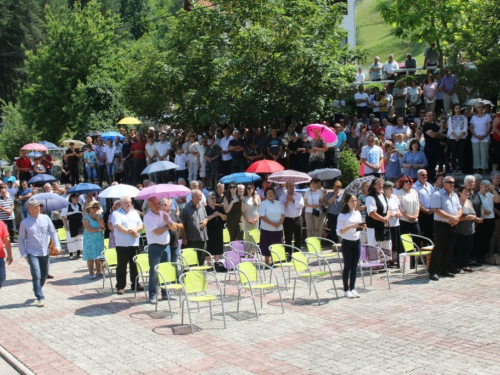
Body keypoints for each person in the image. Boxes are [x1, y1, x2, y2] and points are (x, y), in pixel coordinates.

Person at [18, 198, 61, 307]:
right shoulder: (25, 223)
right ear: (29, 209)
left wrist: (57, 245)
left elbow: (53, 232)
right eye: (35, 207)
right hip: (32, 253)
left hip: (45, 252)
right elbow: (21, 240)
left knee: (45, 274)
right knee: (36, 275)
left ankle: (37, 287)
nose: (38, 208)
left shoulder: (45, 218)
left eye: (39, 206)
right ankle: (40, 297)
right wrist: (24, 254)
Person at [143, 196, 176, 303]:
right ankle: (152, 295)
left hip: (166, 246)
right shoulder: (148, 217)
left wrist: (169, 222)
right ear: (149, 206)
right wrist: (167, 226)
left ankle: (166, 293)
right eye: (155, 204)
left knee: (166, 270)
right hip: (155, 247)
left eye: (158, 203)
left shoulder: (164, 214)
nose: (158, 206)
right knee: (154, 272)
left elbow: (174, 228)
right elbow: (157, 231)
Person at [429, 176, 462, 280]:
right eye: (450, 182)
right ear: (444, 183)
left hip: (452, 224)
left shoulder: (455, 195)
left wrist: (456, 218)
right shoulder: (438, 194)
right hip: (441, 225)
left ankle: (444, 269)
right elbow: (437, 210)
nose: (452, 184)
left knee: (449, 248)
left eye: (453, 183)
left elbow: (460, 209)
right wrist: (451, 217)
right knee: (439, 248)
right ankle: (433, 271)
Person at [111, 196, 144, 295]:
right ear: (121, 204)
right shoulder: (116, 213)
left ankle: (135, 283)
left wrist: (135, 230)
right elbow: (119, 227)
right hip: (122, 244)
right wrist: (131, 232)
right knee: (122, 265)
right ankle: (120, 286)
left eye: (130, 202)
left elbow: (140, 225)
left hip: (134, 243)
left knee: (134, 265)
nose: (129, 204)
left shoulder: (134, 213)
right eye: (126, 203)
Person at [336, 192, 364, 299]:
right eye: (352, 201)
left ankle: (352, 287)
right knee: (347, 266)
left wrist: (362, 227)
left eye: (355, 201)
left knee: (354, 266)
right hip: (347, 242)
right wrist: (351, 226)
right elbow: (339, 232)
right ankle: (346, 289)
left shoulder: (357, 213)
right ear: (347, 202)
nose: (354, 203)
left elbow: (358, 227)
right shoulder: (342, 215)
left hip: (357, 241)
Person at [366, 178, 391, 259]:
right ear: (374, 186)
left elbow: (389, 208)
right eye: (378, 184)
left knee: (385, 242)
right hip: (374, 225)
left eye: (381, 184)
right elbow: (372, 213)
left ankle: (384, 262)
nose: (380, 186)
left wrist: (387, 217)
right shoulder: (370, 197)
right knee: (374, 243)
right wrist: (383, 219)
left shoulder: (383, 195)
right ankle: (374, 264)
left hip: (384, 223)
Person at [181, 189, 208, 265]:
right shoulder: (185, 207)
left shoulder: (202, 206)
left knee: (201, 260)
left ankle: (200, 275)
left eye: (200, 196)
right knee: (191, 262)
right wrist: (184, 238)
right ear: (192, 197)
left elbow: (206, 217)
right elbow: (182, 224)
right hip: (191, 239)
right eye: (197, 196)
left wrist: (205, 221)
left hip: (202, 237)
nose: (199, 197)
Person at [454, 185, 476, 274]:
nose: (467, 193)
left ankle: (464, 264)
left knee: (467, 248)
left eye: (468, 192)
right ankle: (457, 266)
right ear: (459, 192)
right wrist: (467, 218)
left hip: (470, 230)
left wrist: (474, 218)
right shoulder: (457, 203)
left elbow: (473, 213)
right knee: (459, 248)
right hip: (460, 230)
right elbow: (456, 217)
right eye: (465, 191)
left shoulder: (469, 202)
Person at [258, 187, 284, 265]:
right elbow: (262, 216)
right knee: (267, 245)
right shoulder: (263, 203)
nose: (270, 194)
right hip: (267, 229)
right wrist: (272, 223)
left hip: (278, 228)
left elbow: (283, 214)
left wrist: (280, 222)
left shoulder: (278, 203)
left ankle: (276, 261)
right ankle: (266, 262)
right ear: (265, 195)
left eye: (271, 192)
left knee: (278, 244)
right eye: (268, 193)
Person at [82, 201, 105, 280]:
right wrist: (99, 229)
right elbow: (89, 229)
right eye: (93, 207)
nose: (95, 209)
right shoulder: (86, 217)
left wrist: (98, 218)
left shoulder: (100, 216)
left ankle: (99, 271)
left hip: (98, 238)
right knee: (90, 256)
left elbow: (103, 226)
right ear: (89, 208)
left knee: (99, 255)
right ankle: (90, 272)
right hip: (89, 239)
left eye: (97, 207)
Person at [279, 181, 305, 248]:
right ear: (286, 187)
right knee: (288, 239)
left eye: (293, 185)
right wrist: (287, 201)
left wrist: (293, 200)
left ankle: (297, 255)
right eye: (290, 186)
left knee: (298, 239)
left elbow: (302, 205)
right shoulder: (282, 197)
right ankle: (289, 256)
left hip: (298, 219)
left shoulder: (299, 195)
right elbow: (281, 209)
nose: (292, 187)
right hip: (287, 220)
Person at [470, 102, 492, 174]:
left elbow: (489, 126)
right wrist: (476, 135)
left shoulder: (487, 116)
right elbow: (471, 127)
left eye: (482, 107)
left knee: (484, 153)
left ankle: (484, 168)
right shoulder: (473, 117)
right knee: (476, 154)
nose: (480, 108)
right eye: (479, 107)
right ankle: (477, 168)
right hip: (475, 138)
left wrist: (485, 135)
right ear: (476, 108)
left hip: (485, 137)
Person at [60, 193, 84, 260]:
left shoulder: (80, 205)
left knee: (79, 237)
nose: (77, 199)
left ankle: (79, 252)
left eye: (77, 198)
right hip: (70, 224)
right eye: (75, 198)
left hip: (79, 224)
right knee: (71, 239)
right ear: (72, 198)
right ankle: (71, 253)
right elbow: (63, 216)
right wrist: (65, 225)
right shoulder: (67, 206)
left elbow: (83, 214)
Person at [205, 192, 227, 263]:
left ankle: (217, 263)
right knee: (209, 248)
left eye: (215, 198)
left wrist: (219, 214)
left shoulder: (219, 208)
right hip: (209, 231)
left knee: (218, 247)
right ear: (208, 199)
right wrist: (213, 216)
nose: (214, 199)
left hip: (218, 230)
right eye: (212, 198)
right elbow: (204, 219)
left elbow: (225, 218)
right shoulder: (205, 209)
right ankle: (209, 264)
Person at [384, 181, 402, 264]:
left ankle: (395, 259)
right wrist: (393, 215)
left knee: (396, 242)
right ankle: (388, 259)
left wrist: (398, 213)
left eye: (392, 188)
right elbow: (384, 212)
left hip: (396, 223)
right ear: (385, 189)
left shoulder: (394, 197)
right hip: (389, 223)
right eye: (390, 188)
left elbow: (397, 207)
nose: (392, 190)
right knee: (389, 242)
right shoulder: (384, 198)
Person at [447, 104, 468, 175]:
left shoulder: (464, 118)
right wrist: (456, 136)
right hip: (453, 137)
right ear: (454, 109)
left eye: (459, 108)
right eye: (456, 108)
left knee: (461, 153)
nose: (458, 110)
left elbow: (465, 128)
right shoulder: (451, 118)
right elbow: (450, 128)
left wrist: (460, 136)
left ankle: (461, 169)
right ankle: (454, 169)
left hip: (462, 137)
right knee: (454, 154)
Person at [422, 112, 442, 182]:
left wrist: (435, 134)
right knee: (429, 165)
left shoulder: (436, 126)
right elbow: (432, 135)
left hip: (436, 148)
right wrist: (437, 134)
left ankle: (433, 179)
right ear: (426, 117)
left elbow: (441, 135)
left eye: (432, 115)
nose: (431, 117)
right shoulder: (426, 126)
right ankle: (428, 180)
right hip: (429, 148)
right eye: (429, 116)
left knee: (434, 165)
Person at [0, 219, 12, 290]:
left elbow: (6, 240)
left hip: (0, 257)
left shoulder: (1, 223)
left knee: (2, 277)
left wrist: (9, 255)